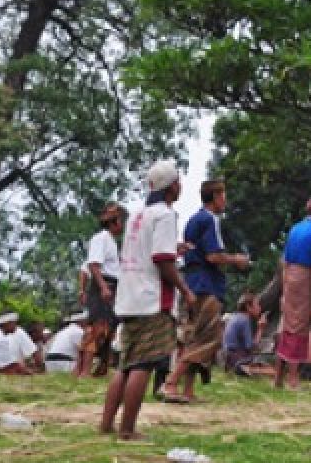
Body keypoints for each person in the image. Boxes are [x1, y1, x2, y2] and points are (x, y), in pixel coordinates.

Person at [99, 159, 195, 441]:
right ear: (172, 186)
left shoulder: (137, 216)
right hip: (151, 300)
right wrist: (186, 290)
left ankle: (107, 424)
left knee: (125, 365)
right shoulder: (166, 215)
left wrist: (174, 250)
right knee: (143, 364)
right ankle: (127, 429)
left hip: (128, 297)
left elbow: (147, 252)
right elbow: (162, 261)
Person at [159, 179, 250, 403]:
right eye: (224, 195)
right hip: (206, 284)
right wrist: (236, 259)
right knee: (208, 337)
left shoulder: (192, 220)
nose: (225, 201)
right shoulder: (210, 219)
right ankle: (171, 382)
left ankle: (187, 390)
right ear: (217, 197)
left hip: (191, 281)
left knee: (194, 335)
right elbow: (213, 256)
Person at [274, 196, 311, 390]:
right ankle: (292, 379)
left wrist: (284, 290)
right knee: (300, 328)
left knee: (287, 326)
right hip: (304, 278)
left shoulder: (295, 229)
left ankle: (278, 377)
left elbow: (285, 262)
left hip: (290, 278)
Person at [78, 203, 127, 378]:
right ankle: (83, 371)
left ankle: (102, 368)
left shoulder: (111, 242)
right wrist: (103, 286)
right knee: (97, 328)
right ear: (114, 223)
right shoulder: (101, 238)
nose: (122, 225)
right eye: (121, 221)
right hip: (103, 285)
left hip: (112, 285)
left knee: (110, 328)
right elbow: (92, 265)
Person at [223, 292, 264, 374]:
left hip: (226, 356)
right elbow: (250, 347)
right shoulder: (245, 320)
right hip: (238, 359)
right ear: (248, 307)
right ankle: (242, 368)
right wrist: (261, 328)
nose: (260, 308)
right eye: (257, 305)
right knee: (263, 360)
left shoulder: (234, 316)